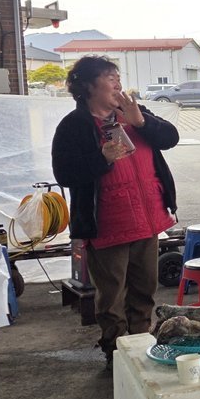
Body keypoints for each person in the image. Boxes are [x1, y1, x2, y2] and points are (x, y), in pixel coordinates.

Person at [52, 55, 179, 367]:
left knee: (145, 290)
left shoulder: (134, 113)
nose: (117, 84)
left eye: (118, 77)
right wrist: (102, 159)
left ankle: (142, 345)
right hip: (108, 224)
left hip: (147, 219)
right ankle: (117, 354)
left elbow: (170, 138)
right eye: (110, 78)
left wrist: (141, 122)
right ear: (88, 86)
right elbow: (64, 174)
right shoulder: (74, 125)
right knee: (111, 297)